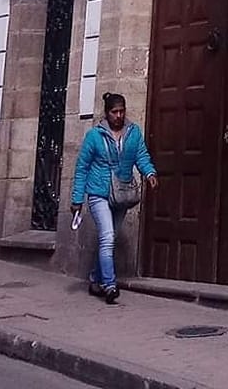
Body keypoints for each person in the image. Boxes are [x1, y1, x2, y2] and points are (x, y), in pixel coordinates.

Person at [70, 92, 157, 305]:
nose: (118, 115)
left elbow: (141, 155)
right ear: (107, 113)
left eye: (121, 111)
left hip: (122, 194)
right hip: (99, 193)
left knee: (110, 238)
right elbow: (82, 168)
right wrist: (77, 199)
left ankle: (94, 279)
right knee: (107, 236)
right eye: (114, 112)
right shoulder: (94, 136)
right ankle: (110, 285)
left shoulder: (133, 133)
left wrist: (150, 173)